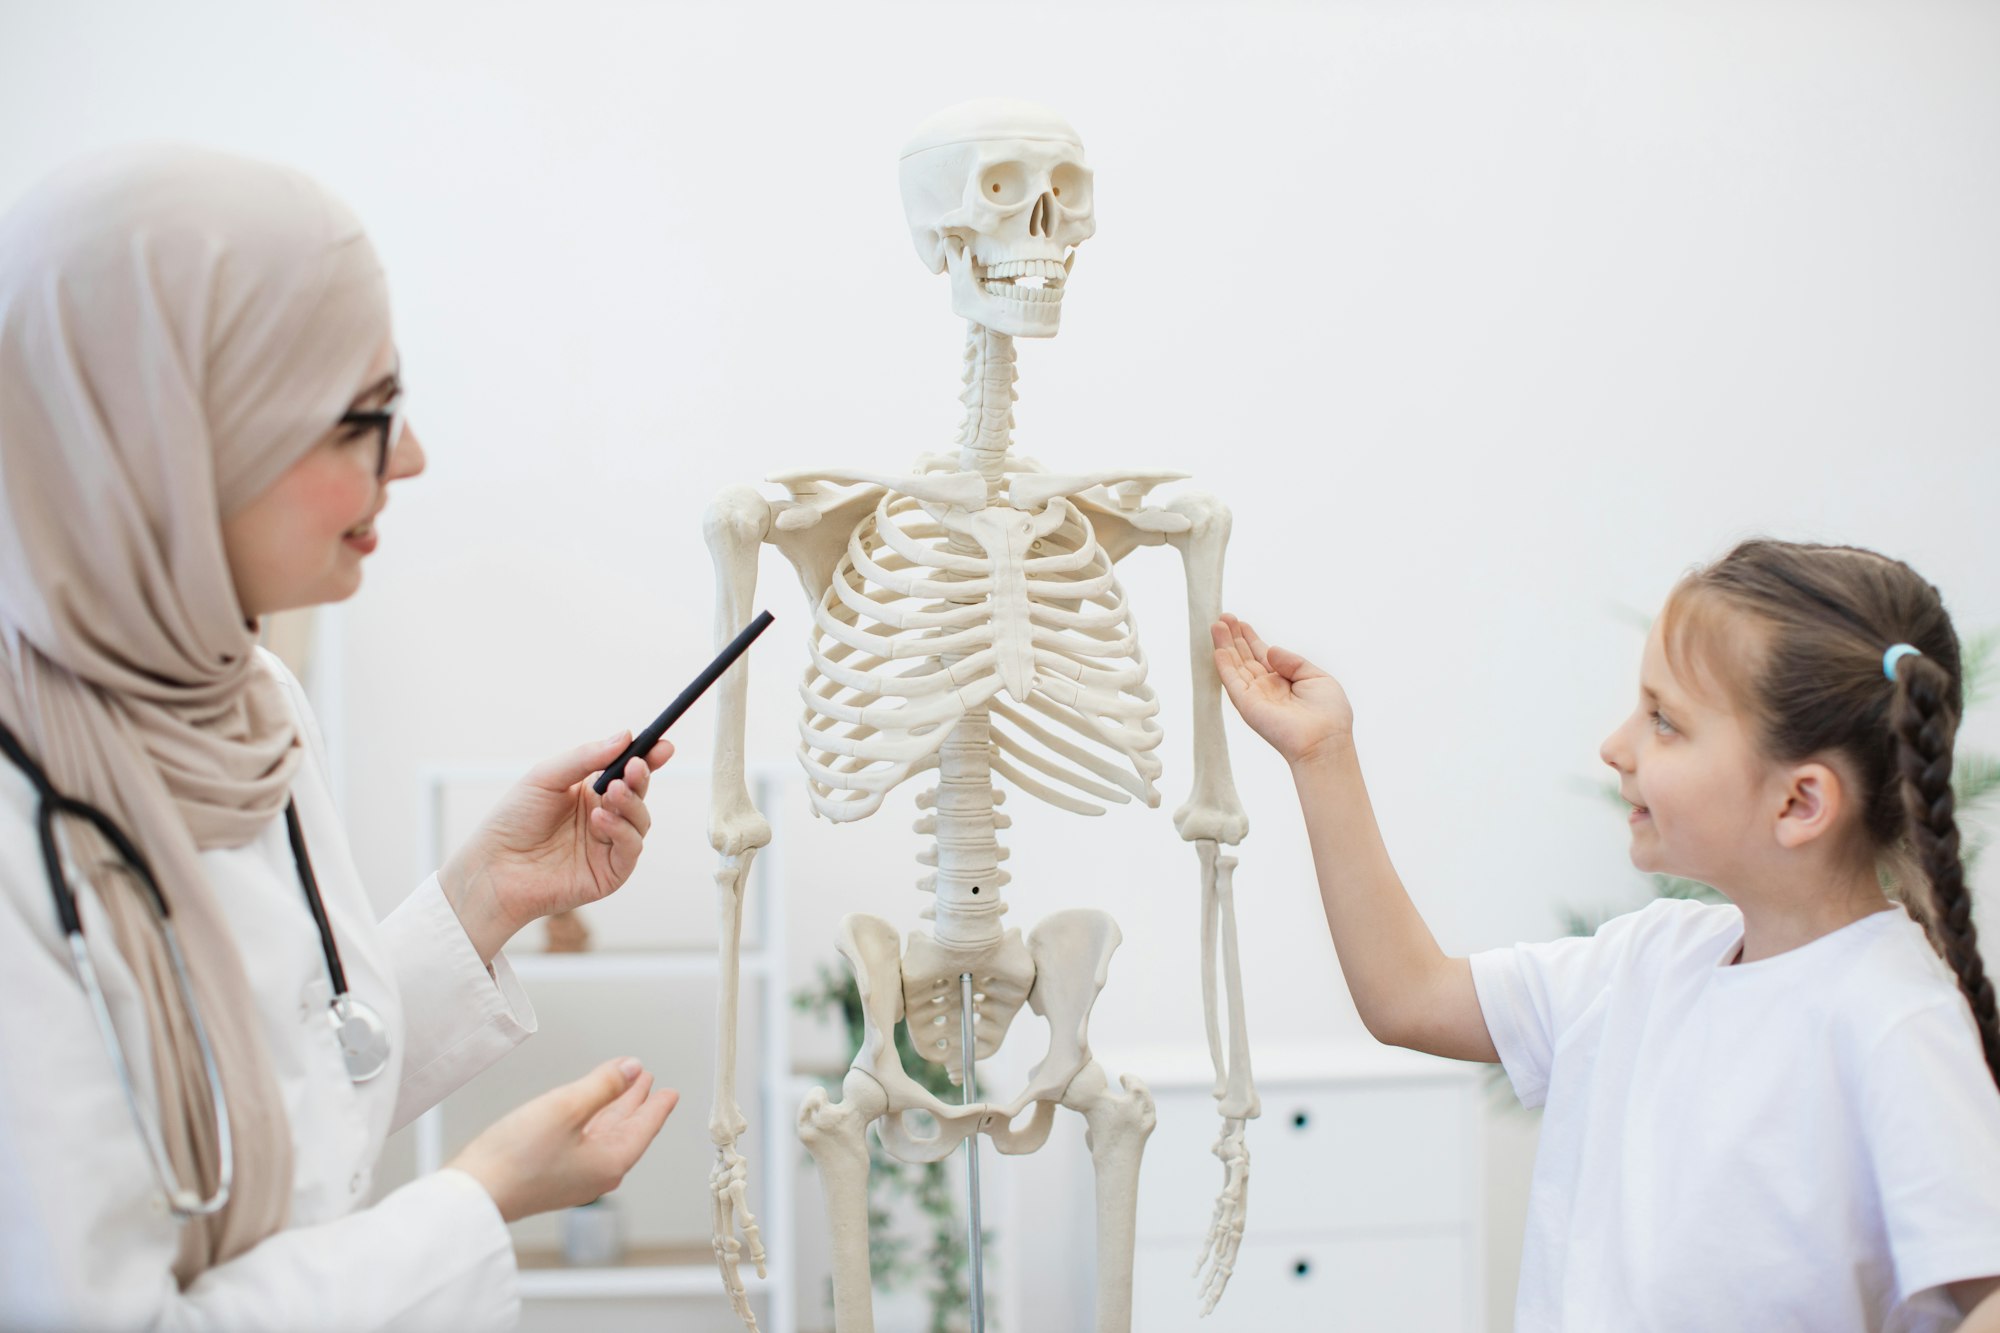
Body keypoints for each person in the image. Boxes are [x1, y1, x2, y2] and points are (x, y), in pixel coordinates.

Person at [0, 146, 677, 1330]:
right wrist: (477, 1201)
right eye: (364, 419)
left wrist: (485, 895)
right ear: (179, 434)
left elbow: (296, 1084)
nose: (407, 460)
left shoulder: (242, 697)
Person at [1211, 539, 2000, 1331]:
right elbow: (1408, 994)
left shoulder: (1896, 1025)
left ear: (1800, 802)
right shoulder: (1647, 960)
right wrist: (1323, 755)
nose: (1616, 745)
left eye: (1664, 721)